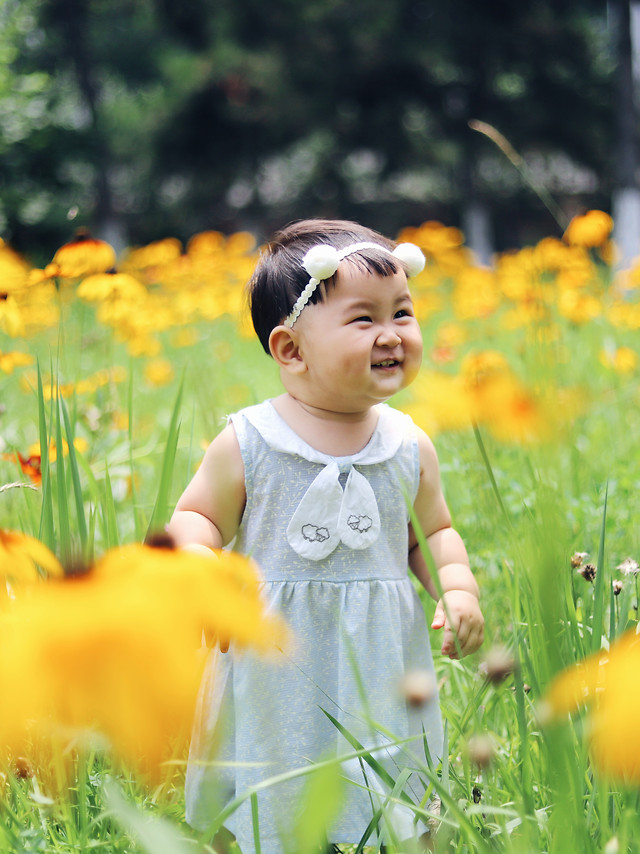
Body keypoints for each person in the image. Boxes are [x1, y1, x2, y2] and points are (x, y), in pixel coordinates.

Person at [168, 219, 484, 854]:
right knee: (265, 781)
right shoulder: (251, 441)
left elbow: (432, 533)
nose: (393, 334)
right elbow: (194, 519)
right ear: (291, 350)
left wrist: (456, 589)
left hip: (378, 659)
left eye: (403, 312)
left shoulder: (407, 445)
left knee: (395, 784)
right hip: (272, 659)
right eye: (363, 319)